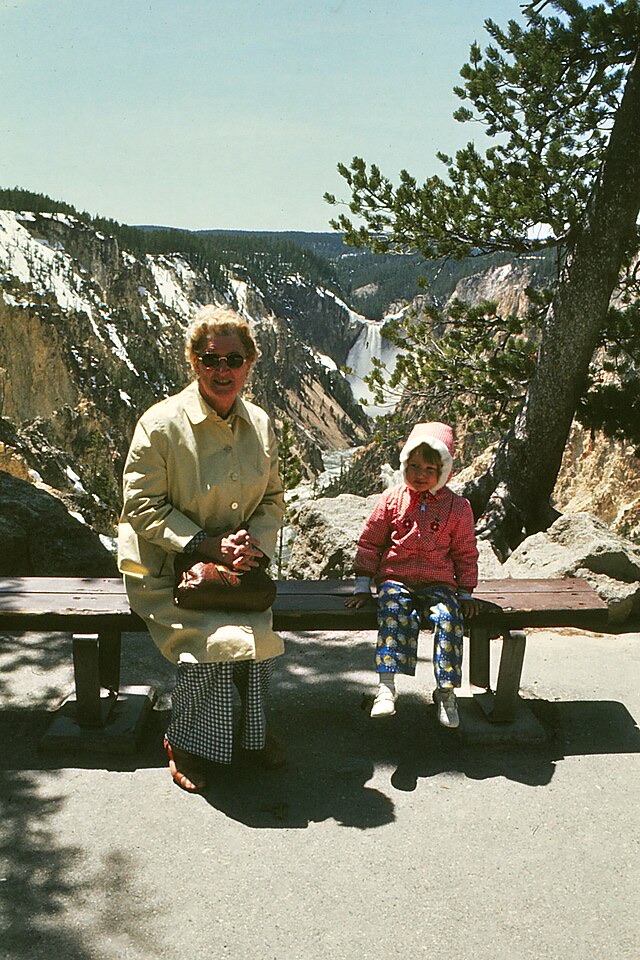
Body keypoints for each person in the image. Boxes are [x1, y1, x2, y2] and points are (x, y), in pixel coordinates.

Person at [118, 304, 285, 792]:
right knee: (211, 637)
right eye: (211, 360)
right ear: (193, 361)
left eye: (234, 360)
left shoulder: (260, 423)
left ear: (250, 364)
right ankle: (187, 740)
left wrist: (255, 545)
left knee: (253, 635)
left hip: (236, 563)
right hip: (167, 566)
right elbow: (141, 506)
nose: (222, 371)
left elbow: (273, 498)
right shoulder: (161, 424)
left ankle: (249, 735)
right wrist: (207, 544)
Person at [346, 421, 481, 728]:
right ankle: (386, 687)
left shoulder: (458, 508)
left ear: (444, 471)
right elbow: (371, 542)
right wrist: (362, 585)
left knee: (449, 618)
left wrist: (466, 593)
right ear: (404, 464)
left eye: (430, 468)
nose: (420, 475)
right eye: (414, 465)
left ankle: (445, 692)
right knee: (393, 613)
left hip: (439, 581)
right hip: (396, 579)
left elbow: (465, 552)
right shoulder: (392, 500)